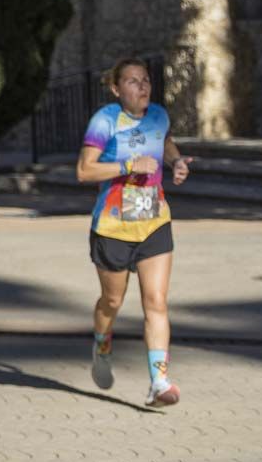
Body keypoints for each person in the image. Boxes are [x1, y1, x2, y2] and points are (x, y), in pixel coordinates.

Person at [76, 58, 192, 407]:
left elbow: (166, 140)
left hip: (154, 221)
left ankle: (159, 382)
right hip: (113, 227)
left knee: (155, 302)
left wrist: (177, 161)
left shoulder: (158, 114)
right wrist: (129, 165)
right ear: (116, 89)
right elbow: (84, 171)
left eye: (145, 80)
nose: (142, 87)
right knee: (112, 301)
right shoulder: (105, 121)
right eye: (132, 81)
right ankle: (102, 343)